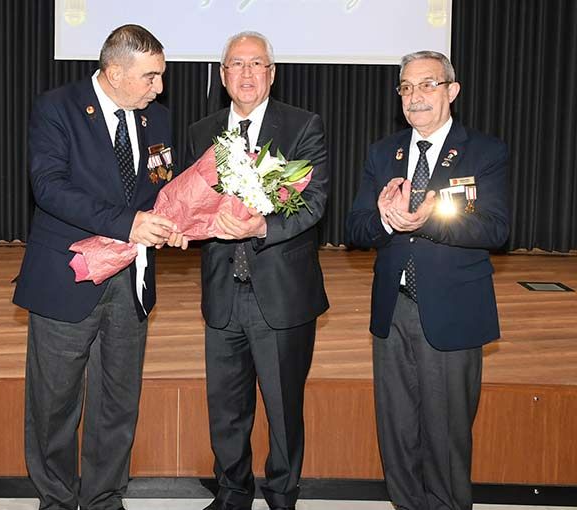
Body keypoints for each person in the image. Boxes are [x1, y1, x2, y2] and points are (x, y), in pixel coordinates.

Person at [13, 24, 184, 510]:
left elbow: (158, 187)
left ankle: (105, 497)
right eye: (151, 77)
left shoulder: (158, 119)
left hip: (131, 283)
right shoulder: (56, 108)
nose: (160, 87)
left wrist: (174, 220)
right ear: (114, 72)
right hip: (69, 279)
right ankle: (57, 500)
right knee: (54, 405)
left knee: (118, 400)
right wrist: (128, 223)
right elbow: (49, 187)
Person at [345, 50, 510, 510]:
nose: (415, 97)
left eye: (427, 85)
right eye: (406, 87)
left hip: (453, 314)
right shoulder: (384, 152)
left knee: (446, 437)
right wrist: (383, 218)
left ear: (451, 91)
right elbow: (355, 230)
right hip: (392, 312)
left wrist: (426, 221)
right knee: (396, 434)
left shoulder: (484, 152)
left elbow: (496, 229)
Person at [185, 31, 330, 510]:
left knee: (284, 408)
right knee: (226, 409)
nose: (246, 74)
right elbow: (190, 207)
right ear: (223, 76)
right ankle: (231, 492)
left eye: (256, 64)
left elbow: (312, 203)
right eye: (236, 65)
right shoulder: (200, 132)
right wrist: (204, 222)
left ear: (272, 72)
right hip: (222, 292)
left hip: (282, 293)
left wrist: (259, 224)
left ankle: (283, 494)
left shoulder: (303, 126)